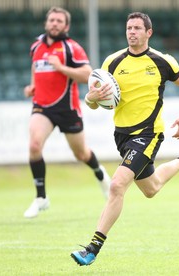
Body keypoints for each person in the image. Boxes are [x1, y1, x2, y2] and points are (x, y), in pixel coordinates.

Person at [70, 12, 179, 266]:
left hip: (148, 134)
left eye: (137, 28)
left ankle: (92, 248)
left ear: (149, 32)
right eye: (129, 28)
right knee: (152, 188)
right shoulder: (112, 63)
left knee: (117, 186)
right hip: (122, 136)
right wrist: (90, 99)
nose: (132, 32)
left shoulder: (162, 61)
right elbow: (95, 101)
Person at [22, 7, 110, 219]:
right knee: (34, 146)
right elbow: (36, 68)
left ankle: (100, 174)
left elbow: (87, 74)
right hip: (42, 107)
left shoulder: (72, 48)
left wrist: (61, 68)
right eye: (51, 20)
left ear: (66, 26)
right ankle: (41, 197)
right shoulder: (36, 46)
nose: (54, 23)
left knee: (81, 154)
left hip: (67, 108)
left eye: (59, 21)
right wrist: (33, 85)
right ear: (46, 23)